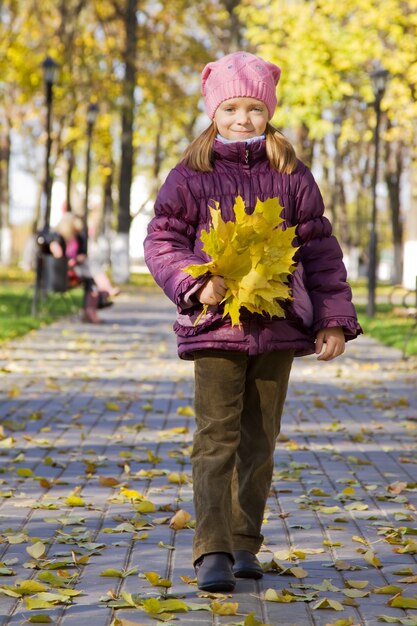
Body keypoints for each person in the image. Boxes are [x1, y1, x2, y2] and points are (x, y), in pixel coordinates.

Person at [144, 51, 362, 593]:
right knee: (216, 437)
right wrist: (195, 279)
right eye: (232, 108)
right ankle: (211, 548)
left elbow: (319, 251)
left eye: (255, 108)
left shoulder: (291, 174)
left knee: (259, 440)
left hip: (278, 328)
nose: (243, 118)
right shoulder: (191, 174)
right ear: (214, 112)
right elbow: (163, 239)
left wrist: (332, 319)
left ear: (268, 112)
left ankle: (245, 541)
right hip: (215, 325)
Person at [48, 213, 115, 323]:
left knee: (91, 279)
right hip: (63, 274)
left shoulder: (78, 238)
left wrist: (79, 258)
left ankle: (90, 311)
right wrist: (70, 260)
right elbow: (59, 257)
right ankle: (104, 290)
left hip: (78, 270)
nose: (77, 230)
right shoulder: (56, 237)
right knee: (91, 266)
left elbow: (82, 254)